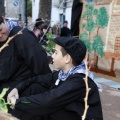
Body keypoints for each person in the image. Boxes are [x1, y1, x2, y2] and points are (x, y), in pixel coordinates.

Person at [8, 37, 103, 120]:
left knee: (43, 108)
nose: (52, 56)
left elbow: (48, 101)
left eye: (56, 53)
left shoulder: (79, 81)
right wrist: (17, 88)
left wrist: (18, 102)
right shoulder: (62, 74)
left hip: (79, 117)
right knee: (36, 88)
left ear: (67, 59)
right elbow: (36, 79)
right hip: (68, 114)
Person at [0, 15, 51, 96]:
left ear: (3, 19)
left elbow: (40, 64)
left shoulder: (21, 36)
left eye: (1, 29)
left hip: (22, 92)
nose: (0, 35)